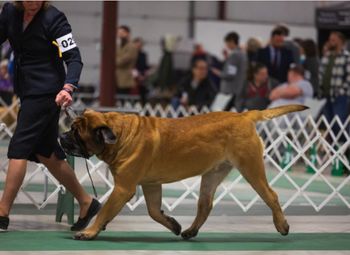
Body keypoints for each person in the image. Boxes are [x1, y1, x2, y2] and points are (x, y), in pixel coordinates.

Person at [0, 1, 100, 232]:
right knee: (46, 153)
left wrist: (68, 87)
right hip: (26, 88)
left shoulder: (54, 19)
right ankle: (87, 202)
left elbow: (74, 57)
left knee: (19, 148)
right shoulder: (9, 12)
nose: (34, 2)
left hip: (47, 92)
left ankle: (3, 212)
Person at [319, 31, 350, 125]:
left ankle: (343, 140)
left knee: (339, 123)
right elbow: (320, 74)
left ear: (340, 41)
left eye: (333, 40)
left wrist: (341, 91)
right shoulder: (326, 56)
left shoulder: (347, 56)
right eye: (330, 39)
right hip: (325, 95)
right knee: (328, 123)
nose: (330, 41)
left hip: (339, 96)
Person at [212, 31, 247, 112]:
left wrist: (217, 72)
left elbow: (230, 74)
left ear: (231, 41)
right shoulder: (242, 53)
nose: (226, 45)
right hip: (239, 89)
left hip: (230, 91)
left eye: (227, 43)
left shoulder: (234, 55)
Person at [116, 25, 138, 94]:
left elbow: (124, 60)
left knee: (123, 97)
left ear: (128, 33)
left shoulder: (132, 46)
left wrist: (113, 61)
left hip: (126, 79)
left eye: (122, 32)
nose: (120, 35)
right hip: (117, 79)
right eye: (119, 33)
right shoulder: (118, 46)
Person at [133, 37, 149, 104]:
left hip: (143, 78)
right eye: (137, 45)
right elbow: (132, 66)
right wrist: (138, 76)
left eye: (140, 45)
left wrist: (145, 74)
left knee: (143, 96)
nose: (139, 46)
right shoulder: (132, 55)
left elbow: (145, 66)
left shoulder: (144, 55)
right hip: (134, 78)